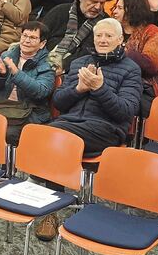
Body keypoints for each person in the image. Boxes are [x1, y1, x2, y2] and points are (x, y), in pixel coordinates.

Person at [49, 17, 142, 157]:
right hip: (69, 122)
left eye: (109, 36)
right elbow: (58, 102)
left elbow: (125, 112)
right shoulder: (78, 63)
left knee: (54, 134)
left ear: (120, 39)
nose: (102, 40)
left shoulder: (131, 69)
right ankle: (40, 179)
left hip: (106, 130)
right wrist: (78, 90)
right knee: (39, 133)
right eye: (98, 35)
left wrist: (100, 89)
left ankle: (40, 179)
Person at [0, 20, 54, 145]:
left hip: (29, 112)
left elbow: (41, 92)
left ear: (42, 43)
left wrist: (17, 74)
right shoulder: (8, 55)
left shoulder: (48, 63)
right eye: (24, 36)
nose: (26, 41)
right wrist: (1, 75)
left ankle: (10, 165)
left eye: (33, 38)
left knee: (8, 134)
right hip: (2, 106)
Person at [112, 0, 158, 116]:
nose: (114, 11)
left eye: (119, 8)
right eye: (115, 7)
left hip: (145, 87)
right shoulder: (113, 32)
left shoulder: (152, 32)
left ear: (133, 10)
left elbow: (150, 66)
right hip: (114, 82)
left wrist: (123, 51)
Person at [44, 0, 112, 73]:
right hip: (43, 63)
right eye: (93, 1)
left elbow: (91, 54)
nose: (97, 7)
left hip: (77, 72)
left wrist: (64, 65)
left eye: (102, 3)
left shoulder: (105, 23)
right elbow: (40, 37)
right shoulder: (59, 12)